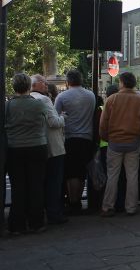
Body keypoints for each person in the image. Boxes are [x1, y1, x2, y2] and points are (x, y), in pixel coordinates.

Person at [99, 72, 140, 216]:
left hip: (115, 141)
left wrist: (106, 137)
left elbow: (103, 124)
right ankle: (131, 207)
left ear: (121, 82)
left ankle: (108, 206)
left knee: (113, 175)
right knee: (132, 175)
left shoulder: (111, 100)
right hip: (133, 142)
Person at [5, 73, 49, 234]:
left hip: (15, 148)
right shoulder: (38, 104)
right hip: (37, 146)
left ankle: (17, 224)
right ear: (29, 86)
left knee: (18, 186)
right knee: (36, 185)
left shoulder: (8, 106)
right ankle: (36, 222)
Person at [55, 69, 96, 214]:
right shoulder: (91, 95)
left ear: (68, 81)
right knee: (81, 173)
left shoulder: (62, 96)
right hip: (87, 138)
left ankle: (73, 202)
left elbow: (56, 117)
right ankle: (78, 199)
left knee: (71, 173)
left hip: (69, 138)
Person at [30, 74, 67, 225]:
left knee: (40, 182)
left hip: (38, 144)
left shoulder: (29, 98)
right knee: (54, 182)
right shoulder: (44, 99)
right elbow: (54, 122)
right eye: (43, 83)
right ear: (35, 84)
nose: (46, 85)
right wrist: (63, 117)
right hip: (54, 146)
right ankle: (54, 214)